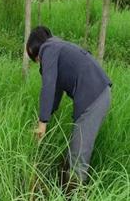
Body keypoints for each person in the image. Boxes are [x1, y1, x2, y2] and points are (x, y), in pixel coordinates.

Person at [26, 26, 112, 192]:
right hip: (97, 95)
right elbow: (56, 91)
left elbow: (48, 85)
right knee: (74, 150)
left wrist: (43, 122)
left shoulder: (48, 48)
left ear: (37, 51)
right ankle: (64, 189)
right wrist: (48, 114)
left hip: (94, 98)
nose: (39, 64)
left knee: (78, 156)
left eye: (36, 60)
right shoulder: (59, 47)